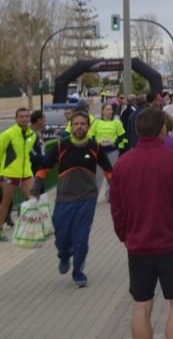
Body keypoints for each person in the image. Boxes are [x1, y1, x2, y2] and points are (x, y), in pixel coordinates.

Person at [111, 107, 173, 339]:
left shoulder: (122, 164)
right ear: (163, 129)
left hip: (138, 244)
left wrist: (125, 235)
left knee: (141, 304)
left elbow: (117, 208)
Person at [32, 108, 114, 286]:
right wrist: (36, 186)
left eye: (82, 124)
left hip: (87, 199)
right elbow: (44, 168)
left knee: (81, 238)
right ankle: (63, 255)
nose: (79, 127)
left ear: (88, 126)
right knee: (61, 237)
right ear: (71, 126)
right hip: (64, 199)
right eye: (76, 124)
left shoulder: (95, 147)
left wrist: (116, 191)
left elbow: (108, 170)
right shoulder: (61, 146)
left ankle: (78, 272)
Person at [0, 107, 37, 240]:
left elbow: (26, 155)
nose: (24, 118)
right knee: (6, 202)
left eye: (26, 116)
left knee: (34, 198)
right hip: (9, 173)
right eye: (21, 116)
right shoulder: (8, 134)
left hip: (26, 173)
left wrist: (30, 170)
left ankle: (32, 226)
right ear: (16, 119)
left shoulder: (32, 135)